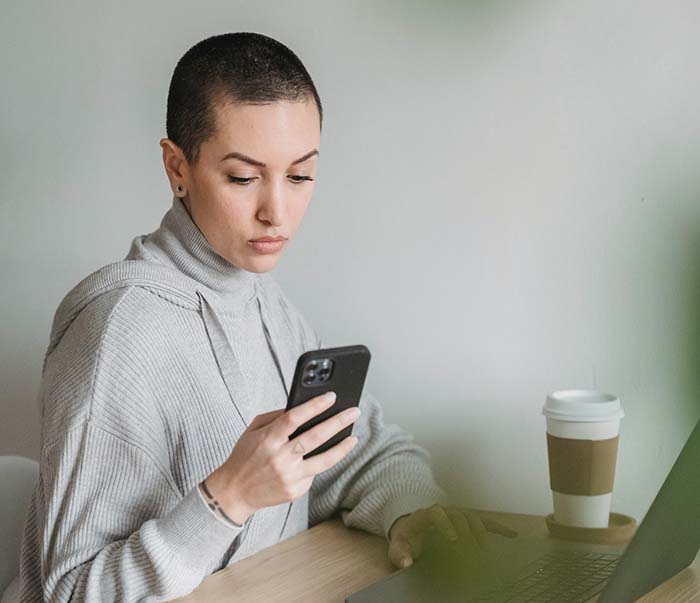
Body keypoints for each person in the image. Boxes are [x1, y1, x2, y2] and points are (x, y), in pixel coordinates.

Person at [9, 32, 512, 603]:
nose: (277, 211)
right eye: (244, 177)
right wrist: (226, 499)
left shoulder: (262, 302)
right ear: (178, 167)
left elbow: (357, 451)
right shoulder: (117, 331)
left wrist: (409, 514)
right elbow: (69, 593)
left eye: (299, 176)